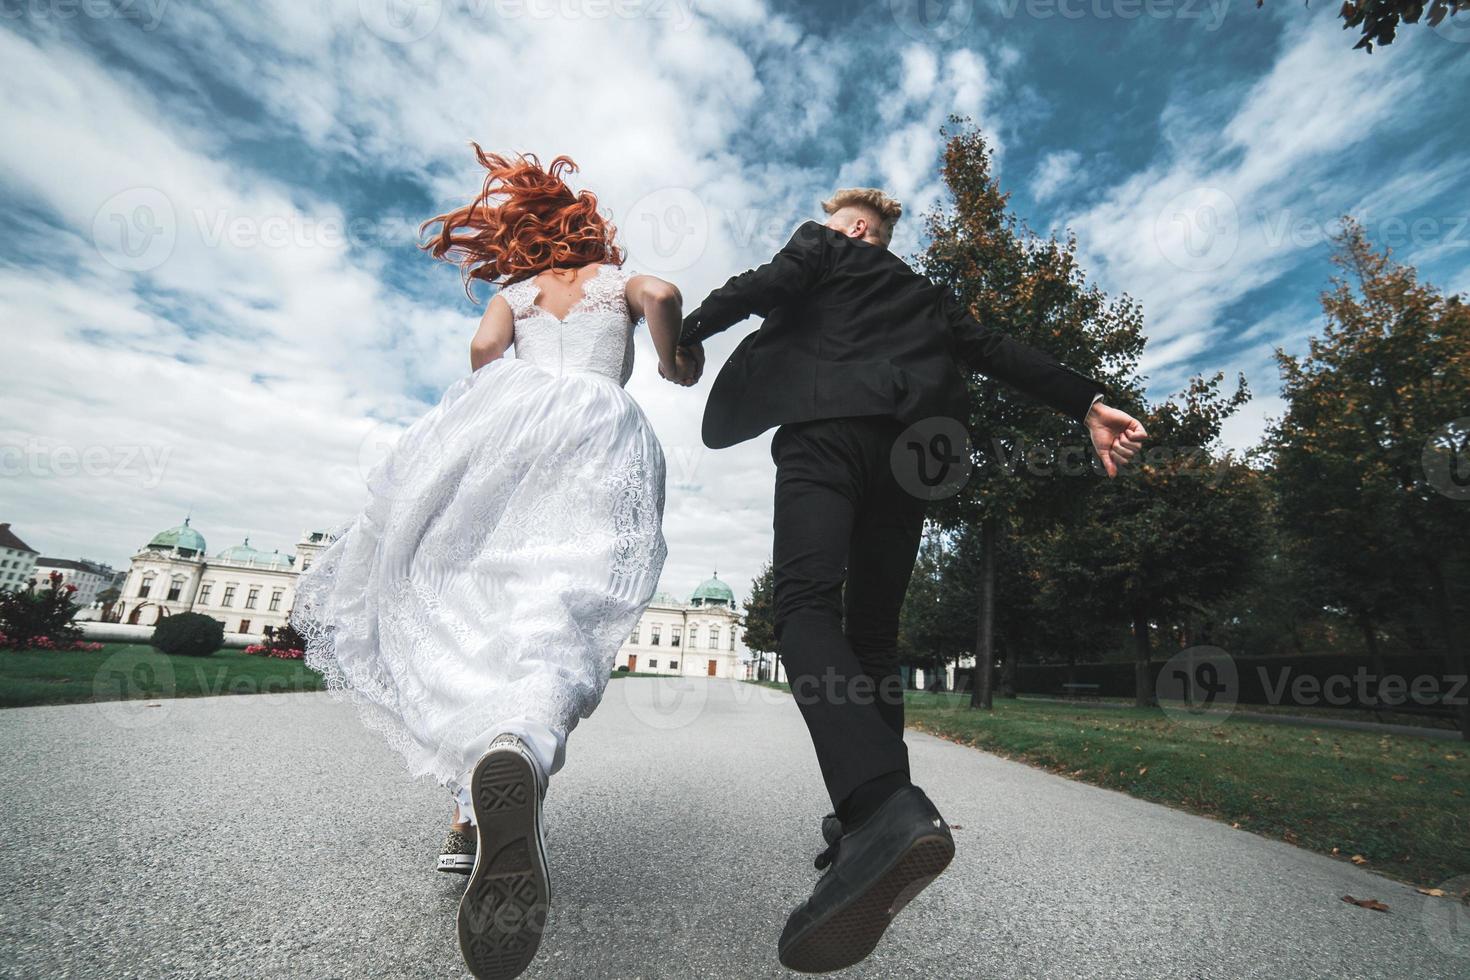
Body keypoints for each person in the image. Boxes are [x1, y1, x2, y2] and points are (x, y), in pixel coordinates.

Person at [669, 188, 1147, 972]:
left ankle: (878, 806)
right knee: (874, 638)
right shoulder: (928, 297)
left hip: (828, 433)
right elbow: (1001, 353)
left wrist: (688, 336)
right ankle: (870, 819)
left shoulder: (823, 249)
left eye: (841, 230)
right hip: (914, 457)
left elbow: (762, 286)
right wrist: (1089, 401)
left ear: (856, 231)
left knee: (803, 611)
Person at [292, 147, 690, 980]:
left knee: (477, 604)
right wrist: (667, 356)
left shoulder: (513, 294)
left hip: (510, 434)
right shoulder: (617, 281)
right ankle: (518, 747)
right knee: (563, 605)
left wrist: (515, 391)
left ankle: (473, 804)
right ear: (589, 231)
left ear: (523, 239)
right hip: (601, 435)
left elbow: (482, 352)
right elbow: (665, 295)